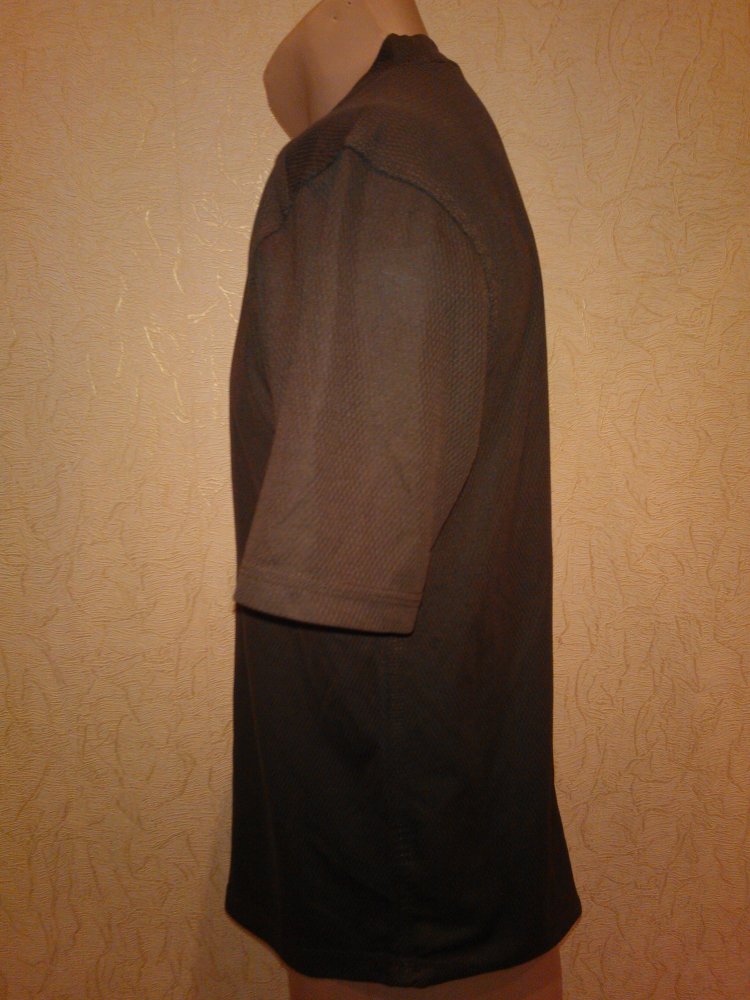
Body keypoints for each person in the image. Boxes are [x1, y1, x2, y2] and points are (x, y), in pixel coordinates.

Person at [225, 2, 583, 997]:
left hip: (388, 856)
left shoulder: (376, 159)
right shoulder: (438, 136)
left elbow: (336, 562)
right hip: (434, 823)